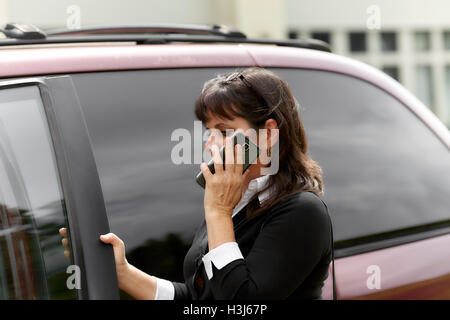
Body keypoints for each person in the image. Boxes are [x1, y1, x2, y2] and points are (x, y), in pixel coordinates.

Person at [60, 67, 334, 300]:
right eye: (209, 131)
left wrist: (218, 213)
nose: (209, 144)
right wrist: (123, 272)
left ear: (268, 134)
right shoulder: (234, 202)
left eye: (224, 132)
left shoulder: (302, 211)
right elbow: (198, 297)